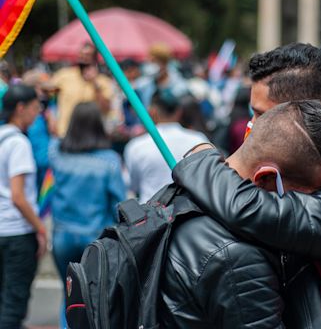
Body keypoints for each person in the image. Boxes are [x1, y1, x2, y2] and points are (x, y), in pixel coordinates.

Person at [170, 43, 321, 328]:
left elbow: (249, 210)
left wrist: (202, 161)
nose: (251, 126)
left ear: (303, 115)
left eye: (261, 115)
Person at [160, 100, 321, 328]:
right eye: (307, 198)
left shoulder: (179, 195)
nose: (308, 209)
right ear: (267, 178)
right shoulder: (237, 258)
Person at [48, 101, 126, 328]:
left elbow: (46, 142)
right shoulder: (109, 161)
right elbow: (118, 204)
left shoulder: (58, 154)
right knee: (97, 296)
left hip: (62, 236)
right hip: (95, 238)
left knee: (68, 292)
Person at [0, 84, 47, 329]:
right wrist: (40, 228)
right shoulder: (18, 143)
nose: (37, 114)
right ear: (20, 108)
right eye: (35, 108)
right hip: (17, 233)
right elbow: (18, 197)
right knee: (13, 306)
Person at [124, 89, 209, 203]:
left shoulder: (136, 146)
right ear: (179, 112)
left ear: (152, 112)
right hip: (190, 211)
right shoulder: (199, 140)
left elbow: (132, 184)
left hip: (150, 214)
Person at [49, 42, 114, 137]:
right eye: (81, 55)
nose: (83, 58)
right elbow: (47, 96)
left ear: (95, 58)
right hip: (64, 134)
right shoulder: (64, 75)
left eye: (87, 55)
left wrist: (94, 83)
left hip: (91, 136)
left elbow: (106, 109)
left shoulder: (103, 81)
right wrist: (50, 119)